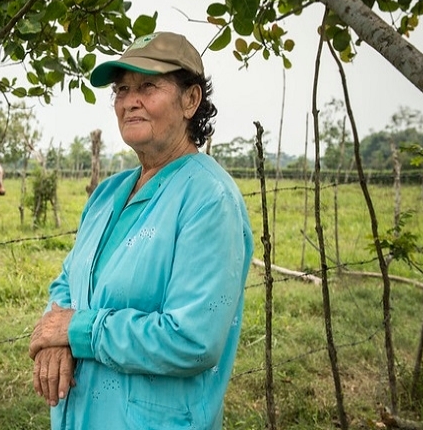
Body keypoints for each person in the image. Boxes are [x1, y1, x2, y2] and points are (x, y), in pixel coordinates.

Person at [29, 31, 254, 430]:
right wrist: (55, 337)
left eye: (147, 86)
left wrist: (77, 330)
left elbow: (192, 340)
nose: (129, 100)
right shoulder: (107, 193)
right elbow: (68, 283)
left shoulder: (208, 198)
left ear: (191, 100)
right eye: (121, 89)